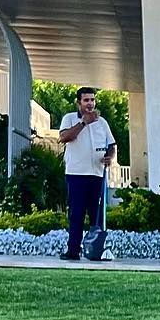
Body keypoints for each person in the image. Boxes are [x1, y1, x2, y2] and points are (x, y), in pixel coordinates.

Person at [57, 87, 117, 262]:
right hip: (76, 174)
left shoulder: (102, 122)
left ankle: (95, 250)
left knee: (96, 215)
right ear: (79, 102)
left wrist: (110, 157)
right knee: (76, 214)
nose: (90, 104)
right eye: (86, 100)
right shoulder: (69, 118)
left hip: (97, 174)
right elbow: (64, 138)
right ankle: (73, 251)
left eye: (92, 100)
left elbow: (111, 145)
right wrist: (83, 123)